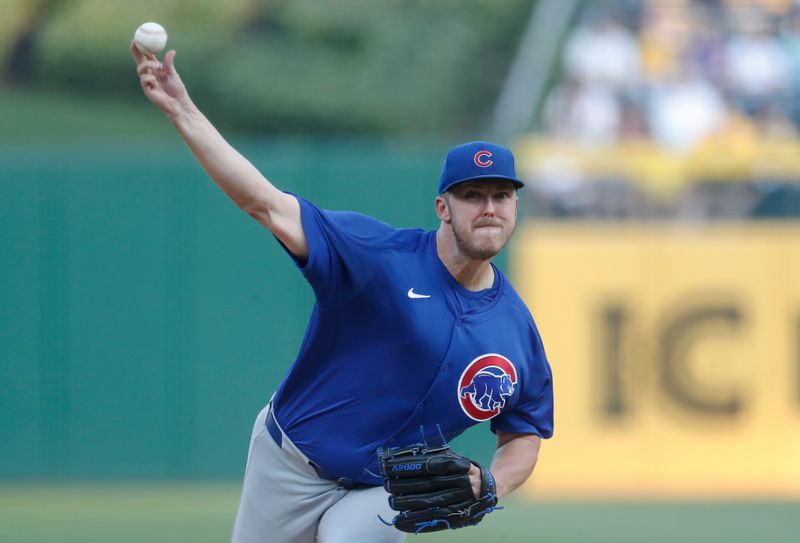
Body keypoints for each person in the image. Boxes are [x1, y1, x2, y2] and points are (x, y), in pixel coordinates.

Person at [131, 42, 554, 543]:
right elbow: (266, 205)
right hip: (289, 464)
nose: (489, 207)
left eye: (502, 195)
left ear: (515, 207)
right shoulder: (377, 256)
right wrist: (182, 109)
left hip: (382, 491)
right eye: (473, 195)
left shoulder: (516, 332)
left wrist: (492, 482)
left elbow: (523, 432)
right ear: (443, 207)